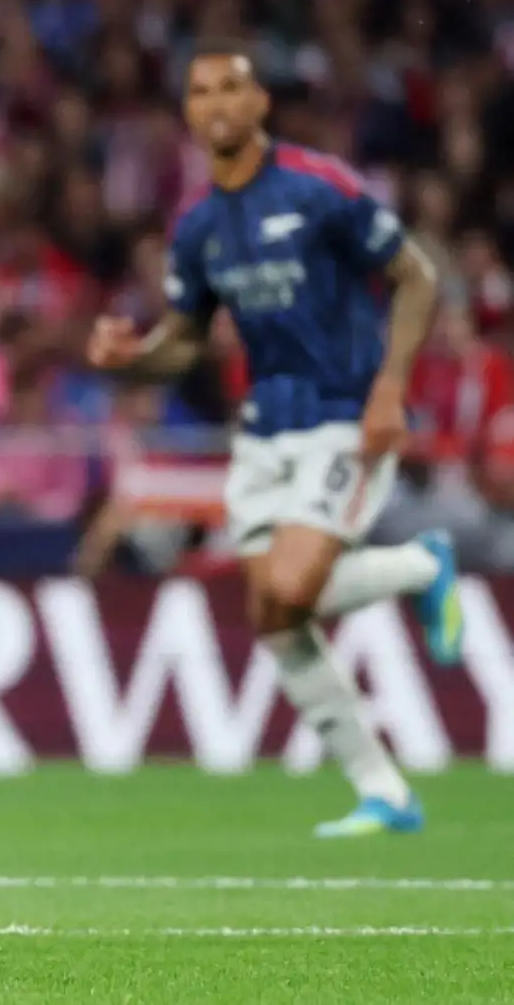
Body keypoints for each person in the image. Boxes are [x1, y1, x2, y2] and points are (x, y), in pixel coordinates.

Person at [88, 42, 462, 838]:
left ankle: (420, 563)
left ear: (260, 104)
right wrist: (135, 359)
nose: (218, 102)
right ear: (188, 113)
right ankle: (384, 791)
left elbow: (417, 277)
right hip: (265, 434)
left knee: (290, 589)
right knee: (274, 617)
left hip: (344, 415)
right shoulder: (196, 228)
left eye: (233, 87)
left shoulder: (319, 186)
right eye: (201, 91)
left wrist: (391, 388)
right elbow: (185, 343)